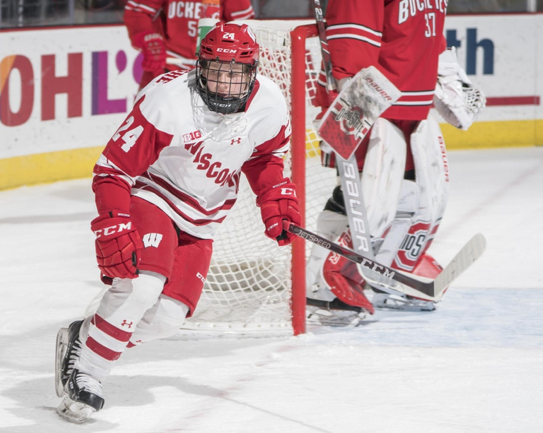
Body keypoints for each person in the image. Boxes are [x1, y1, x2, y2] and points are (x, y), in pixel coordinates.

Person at [54, 22, 301, 423]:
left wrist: (275, 198)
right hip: (155, 195)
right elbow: (113, 170)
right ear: (200, 66)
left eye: (234, 74)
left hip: (203, 219)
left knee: (167, 320)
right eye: (216, 71)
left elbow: (264, 158)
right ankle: (88, 374)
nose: (223, 83)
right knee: (141, 288)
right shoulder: (169, 99)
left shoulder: (270, 103)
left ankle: (87, 337)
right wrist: (114, 225)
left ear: (252, 74)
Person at [306, 0, 486, 324]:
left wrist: (448, 79)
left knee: (410, 199)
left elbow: (430, 37)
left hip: (409, 104)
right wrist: (354, 110)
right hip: (372, 103)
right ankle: (323, 280)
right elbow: (351, 48)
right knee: (369, 196)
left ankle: (385, 268)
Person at [123, 0, 255, 89]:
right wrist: (148, 40)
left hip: (215, 72)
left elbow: (243, 26)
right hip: (168, 67)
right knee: (148, 116)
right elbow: (138, 12)